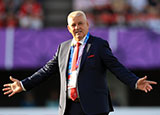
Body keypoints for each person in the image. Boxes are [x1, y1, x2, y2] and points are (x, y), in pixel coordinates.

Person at [2, 11, 157, 115]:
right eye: (74, 25)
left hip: (94, 107)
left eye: (80, 23)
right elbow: (45, 71)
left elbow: (116, 67)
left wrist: (135, 82)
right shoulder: (62, 48)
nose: (77, 28)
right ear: (69, 28)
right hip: (69, 107)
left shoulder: (98, 45)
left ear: (87, 25)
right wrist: (23, 85)